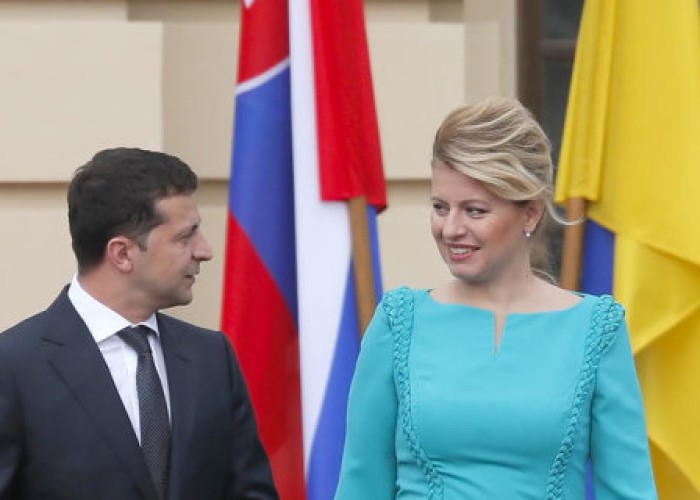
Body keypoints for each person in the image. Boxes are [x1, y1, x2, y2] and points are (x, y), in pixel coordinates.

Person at [334, 98, 657, 499]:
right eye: (440, 207)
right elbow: (360, 485)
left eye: (474, 210)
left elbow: (630, 491)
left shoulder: (596, 329)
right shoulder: (398, 323)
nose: (451, 228)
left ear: (531, 213)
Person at [0, 148, 278, 500]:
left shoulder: (212, 357)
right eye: (185, 237)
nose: (204, 251)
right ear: (122, 254)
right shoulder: (14, 367)